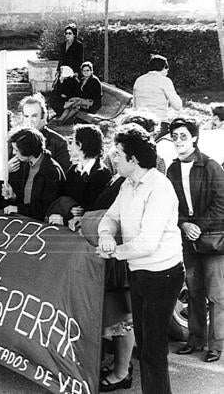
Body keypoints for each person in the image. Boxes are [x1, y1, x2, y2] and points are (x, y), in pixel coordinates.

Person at [98, 124, 184, 394]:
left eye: (118, 154)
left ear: (133, 159)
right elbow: (111, 217)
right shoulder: (127, 185)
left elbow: (148, 242)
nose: (113, 157)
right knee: (145, 345)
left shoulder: (159, 187)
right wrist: (106, 235)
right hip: (139, 272)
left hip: (163, 275)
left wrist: (114, 252)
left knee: (153, 350)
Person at [166, 118, 224, 363]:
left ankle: (217, 344)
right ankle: (196, 339)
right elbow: (169, 204)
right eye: (174, 136)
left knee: (216, 294)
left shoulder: (211, 166)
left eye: (183, 135)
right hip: (188, 239)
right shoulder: (172, 169)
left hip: (212, 239)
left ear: (194, 138)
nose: (178, 141)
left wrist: (197, 226)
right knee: (195, 291)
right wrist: (183, 223)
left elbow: (221, 204)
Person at [50, 125, 112, 225]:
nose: (69, 146)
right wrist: (69, 208)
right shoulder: (74, 170)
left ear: (80, 145)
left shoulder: (102, 174)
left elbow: (96, 211)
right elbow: (63, 196)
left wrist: (66, 219)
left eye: (71, 142)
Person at [2, 127, 65, 222]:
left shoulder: (52, 171)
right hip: (27, 218)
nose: (14, 153)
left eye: (16, 150)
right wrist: (14, 196)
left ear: (28, 150)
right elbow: (28, 198)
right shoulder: (26, 164)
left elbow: (46, 208)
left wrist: (18, 209)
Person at [15, 94, 71, 172]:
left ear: (43, 117)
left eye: (34, 116)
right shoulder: (15, 141)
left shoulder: (59, 143)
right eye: (26, 116)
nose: (30, 121)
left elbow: (64, 176)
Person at [132, 54, 182, 136]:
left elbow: (134, 106)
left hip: (140, 124)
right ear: (164, 67)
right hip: (159, 125)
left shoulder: (138, 80)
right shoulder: (165, 81)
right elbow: (177, 106)